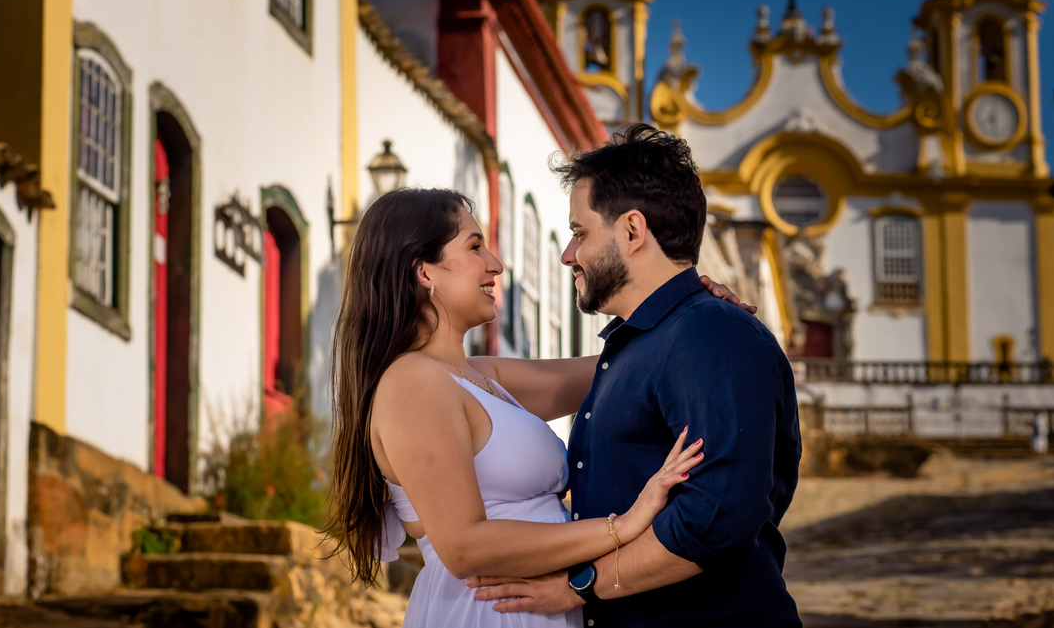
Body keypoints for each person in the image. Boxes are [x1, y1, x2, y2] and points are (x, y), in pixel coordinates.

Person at [327, 187, 747, 628]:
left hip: (536, 605)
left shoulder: (480, 376)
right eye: (474, 247)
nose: (496, 264)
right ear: (424, 271)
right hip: (488, 612)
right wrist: (620, 527)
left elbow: (631, 363)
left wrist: (686, 306)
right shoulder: (413, 384)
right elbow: (464, 547)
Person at [468, 125, 803, 627]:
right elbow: (463, 380)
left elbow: (717, 520)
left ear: (632, 231)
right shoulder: (644, 345)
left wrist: (579, 586)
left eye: (580, 233)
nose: (567, 254)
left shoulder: (711, 334)